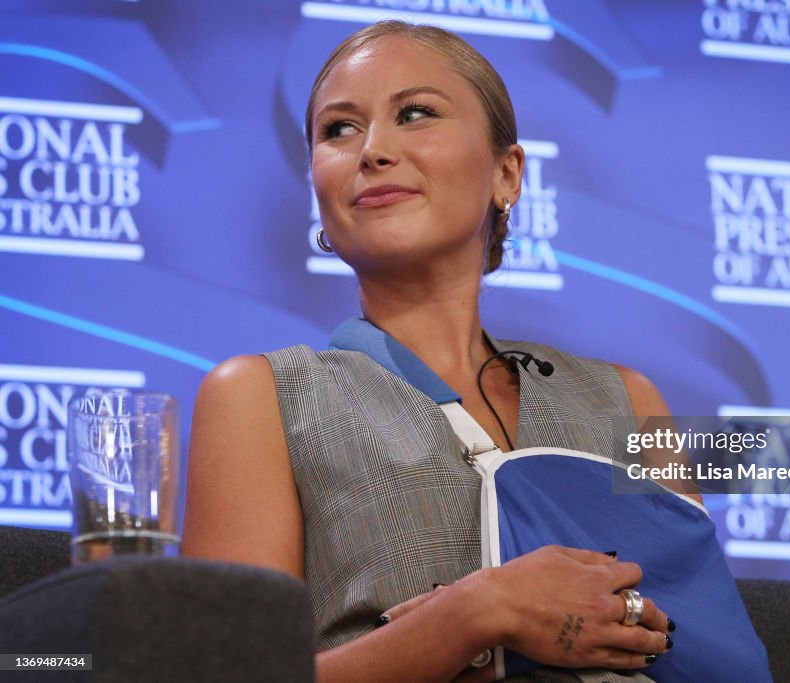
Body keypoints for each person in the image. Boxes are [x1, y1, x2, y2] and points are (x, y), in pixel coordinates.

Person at [182, 20, 690, 683]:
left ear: (506, 174)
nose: (371, 150)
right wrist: (473, 614)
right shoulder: (260, 397)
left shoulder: (631, 402)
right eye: (338, 129)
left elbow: (697, 644)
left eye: (415, 113)